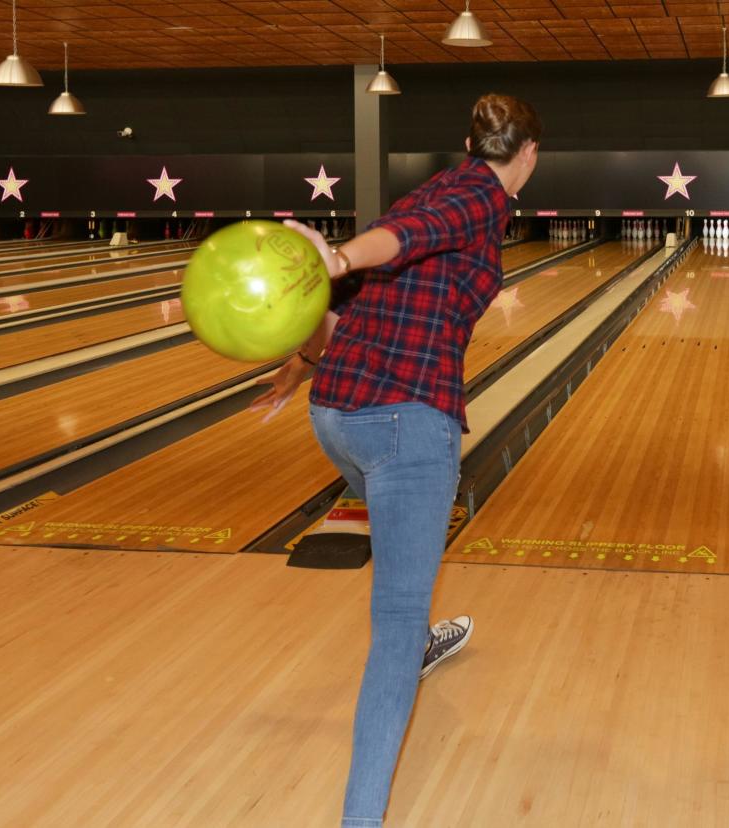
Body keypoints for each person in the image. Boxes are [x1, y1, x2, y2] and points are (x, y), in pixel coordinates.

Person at [252, 93, 541, 827]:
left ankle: (418, 635)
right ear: (529, 155)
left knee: (401, 546)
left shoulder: (441, 181)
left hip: (338, 415)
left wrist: (300, 360)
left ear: (468, 141)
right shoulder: (478, 195)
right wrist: (342, 253)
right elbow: (407, 238)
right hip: (408, 422)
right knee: (398, 619)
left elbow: (357, 291)